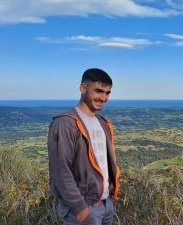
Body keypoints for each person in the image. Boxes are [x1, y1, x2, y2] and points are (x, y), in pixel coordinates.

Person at [48, 68, 120, 225]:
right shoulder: (65, 124)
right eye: (99, 91)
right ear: (82, 88)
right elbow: (60, 170)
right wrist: (79, 207)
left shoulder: (103, 123)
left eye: (107, 93)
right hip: (83, 206)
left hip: (106, 204)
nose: (103, 98)